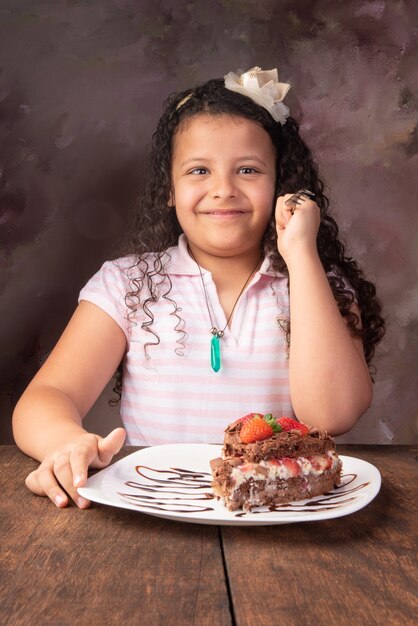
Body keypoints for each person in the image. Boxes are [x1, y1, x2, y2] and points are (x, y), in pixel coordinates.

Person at [12, 66, 385, 508]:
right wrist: (66, 441)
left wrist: (301, 254)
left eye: (248, 170)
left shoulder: (318, 285)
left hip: (279, 512)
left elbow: (334, 414)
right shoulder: (128, 284)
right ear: (169, 188)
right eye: (198, 171)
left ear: (280, 185)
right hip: (157, 505)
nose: (223, 190)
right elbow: (46, 398)